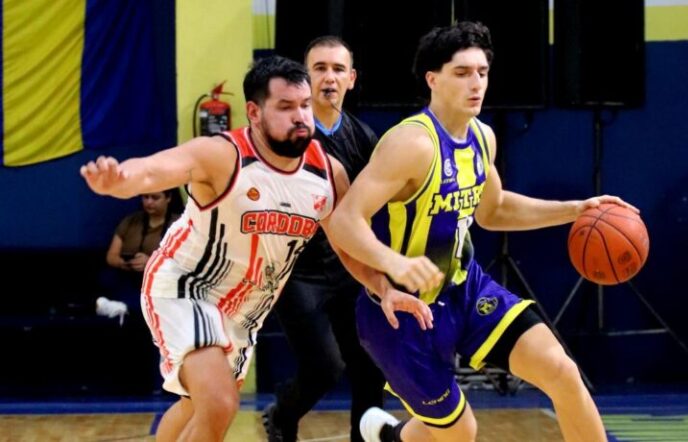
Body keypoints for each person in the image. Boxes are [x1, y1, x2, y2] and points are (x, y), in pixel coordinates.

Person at [80, 55, 430, 442]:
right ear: (254, 112)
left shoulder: (330, 173)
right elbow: (153, 170)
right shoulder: (223, 155)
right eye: (285, 107)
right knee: (219, 402)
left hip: (245, 311)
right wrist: (118, 180)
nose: (300, 116)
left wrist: (384, 288)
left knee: (195, 406)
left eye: (304, 105)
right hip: (187, 286)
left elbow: (347, 245)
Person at [327, 22, 637, 442]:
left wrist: (577, 210)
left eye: (482, 72)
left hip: (464, 289)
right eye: (462, 73)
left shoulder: (480, 137)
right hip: (400, 310)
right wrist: (395, 265)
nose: (476, 83)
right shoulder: (412, 145)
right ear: (432, 79)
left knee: (562, 372)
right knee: (459, 432)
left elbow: (495, 209)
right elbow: (346, 221)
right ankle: (391, 437)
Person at [262, 36, 385, 442]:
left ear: (351, 79)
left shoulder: (364, 138)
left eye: (337, 69)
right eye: (319, 68)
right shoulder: (286, 135)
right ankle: (283, 412)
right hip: (297, 271)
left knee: (371, 366)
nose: (328, 77)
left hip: (347, 268)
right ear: (305, 78)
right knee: (324, 368)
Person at [98, 189, 183, 320]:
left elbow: (184, 262)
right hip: (128, 276)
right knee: (106, 277)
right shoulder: (130, 221)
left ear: (168, 198)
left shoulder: (179, 225)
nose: (149, 202)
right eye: (145, 197)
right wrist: (124, 263)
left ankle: (124, 307)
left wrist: (151, 263)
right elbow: (111, 256)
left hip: (160, 280)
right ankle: (123, 307)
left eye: (155, 198)